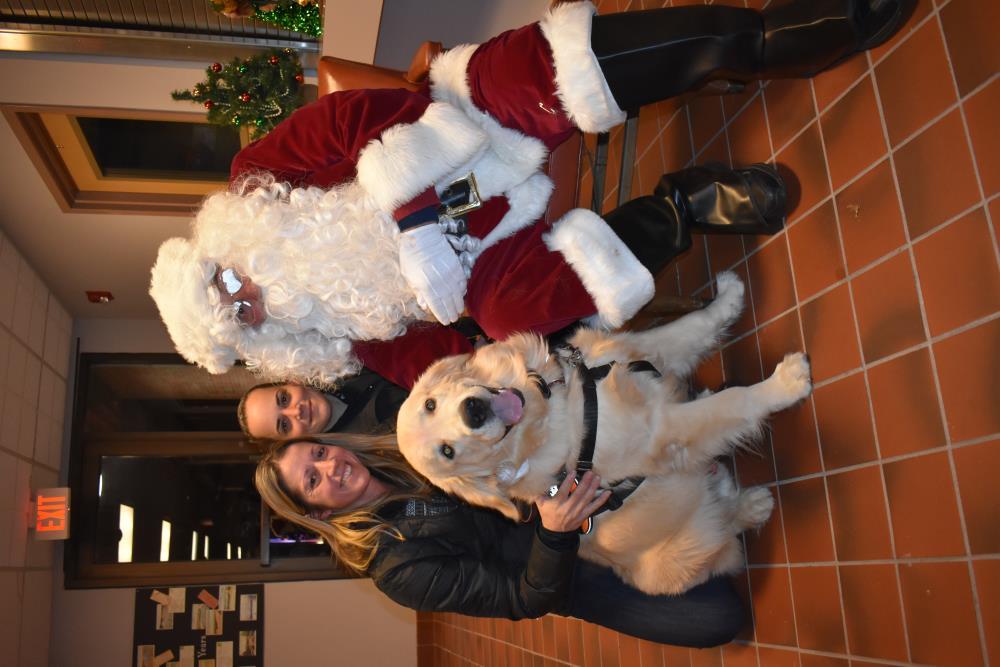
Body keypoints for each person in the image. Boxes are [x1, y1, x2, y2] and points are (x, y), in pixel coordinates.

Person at [150, 0, 915, 389]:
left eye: (225, 280)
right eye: (240, 314)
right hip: (491, 245)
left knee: (555, 70)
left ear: (217, 249)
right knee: (515, 316)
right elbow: (436, 358)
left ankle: (773, 35)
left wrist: (413, 216)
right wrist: (495, 371)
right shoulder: (328, 333)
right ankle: (685, 207)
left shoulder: (259, 179)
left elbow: (359, 116)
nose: (248, 291)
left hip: (464, 124)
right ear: (256, 339)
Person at [255, 435, 749, 647]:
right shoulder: (396, 569)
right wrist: (555, 535)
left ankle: (683, 480)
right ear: (319, 513)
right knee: (719, 617)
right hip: (567, 573)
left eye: (318, 452)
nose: (330, 466)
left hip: (558, 492)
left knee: (676, 471)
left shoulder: (405, 449)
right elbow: (523, 599)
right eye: (313, 480)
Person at [238, 369, 408, 439]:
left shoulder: (342, 361)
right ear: (291, 441)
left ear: (292, 382)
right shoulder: (364, 449)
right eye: (284, 425)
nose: (296, 412)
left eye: (284, 399)